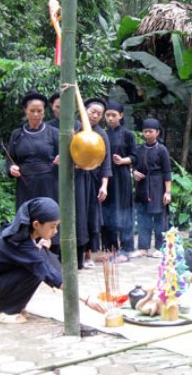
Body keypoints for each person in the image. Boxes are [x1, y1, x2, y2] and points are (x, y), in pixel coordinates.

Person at [0, 198, 105, 324]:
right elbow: (47, 272)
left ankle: (9, 307)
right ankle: (1, 311)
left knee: (39, 259)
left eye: (57, 226)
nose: (55, 231)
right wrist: (86, 299)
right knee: (37, 270)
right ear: (36, 224)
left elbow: (33, 255)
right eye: (52, 226)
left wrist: (42, 244)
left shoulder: (20, 232)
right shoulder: (17, 241)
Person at [6, 90, 59, 210]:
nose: (36, 114)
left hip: (48, 184)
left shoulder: (53, 133)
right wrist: (11, 168)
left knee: (48, 217)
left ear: (44, 111)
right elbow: (10, 159)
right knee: (27, 217)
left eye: (39, 111)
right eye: (32, 111)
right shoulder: (17, 134)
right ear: (25, 110)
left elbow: (63, 158)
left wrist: (59, 162)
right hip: (25, 184)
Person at [76, 98, 112, 268]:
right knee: (77, 215)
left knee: (92, 216)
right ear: (85, 111)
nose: (95, 116)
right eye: (92, 112)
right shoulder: (75, 128)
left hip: (93, 179)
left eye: (99, 113)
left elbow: (106, 162)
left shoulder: (102, 134)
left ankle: (90, 254)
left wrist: (104, 185)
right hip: (75, 178)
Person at [132, 118, 172, 257]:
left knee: (159, 218)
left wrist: (167, 192)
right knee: (143, 217)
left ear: (157, 132)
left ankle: (160, 247)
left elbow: (167, 172)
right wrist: (134, 172)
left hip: (158, 185)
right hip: (142, 186)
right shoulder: (139, 149)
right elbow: (134, 166)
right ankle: (143, 247)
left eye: (150, 131)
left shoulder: (162, 150)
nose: (147, 134)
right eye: (145, 131)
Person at [101, 101, 136, 261]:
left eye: (113, 115)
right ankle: (110, 248)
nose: (110, 118)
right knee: (107, 212)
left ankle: (126, 248)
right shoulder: (102, 134)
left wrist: (123, 160)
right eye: (107, 115)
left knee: (124, 211)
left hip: (122, 177)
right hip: (105, 177)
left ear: (121, 116)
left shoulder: (128, 134)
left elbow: (135, 156)